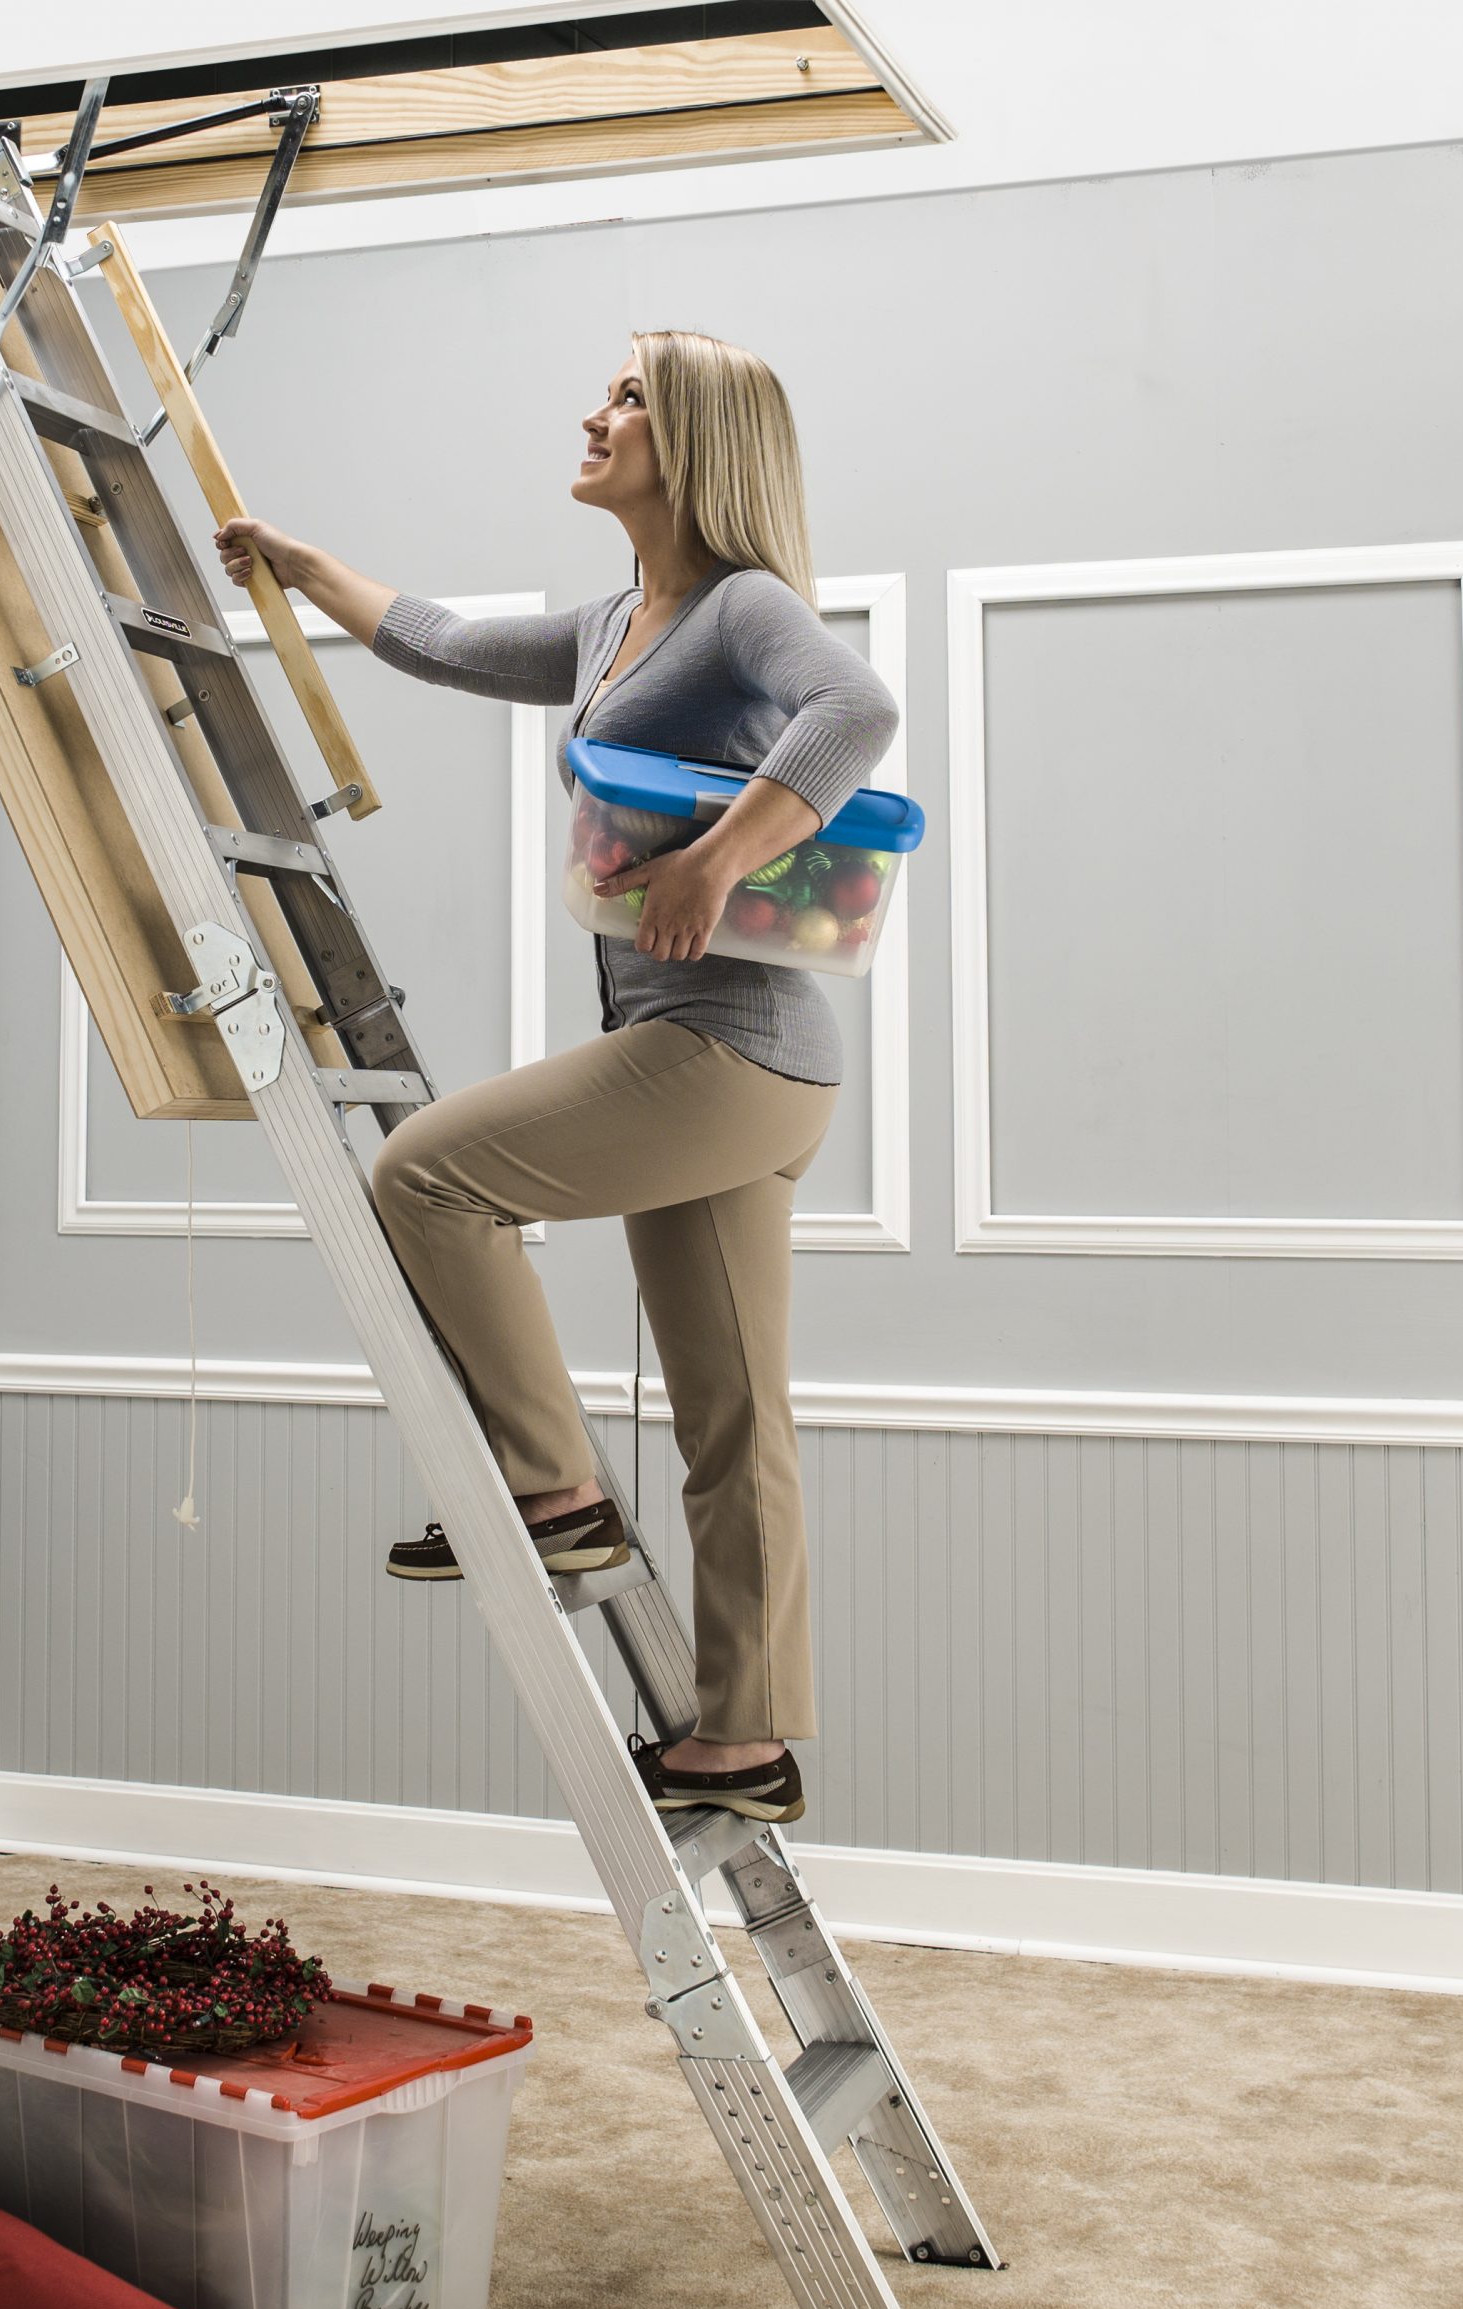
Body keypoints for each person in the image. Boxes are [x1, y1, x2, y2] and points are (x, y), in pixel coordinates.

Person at [214, 329, 898, 1827]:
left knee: (426, 1174)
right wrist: (298, 565)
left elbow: (858, 711)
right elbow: (446, 642)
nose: (596, 413)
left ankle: (552, 1490)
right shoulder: (616, 625)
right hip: (741, 1066)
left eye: (631, 396)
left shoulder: (742, 611)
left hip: (727, 1049)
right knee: (731, 1417)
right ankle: (748, 1733)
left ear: (699, 437)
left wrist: (719, 861)